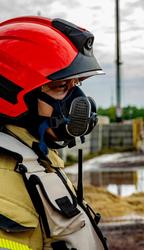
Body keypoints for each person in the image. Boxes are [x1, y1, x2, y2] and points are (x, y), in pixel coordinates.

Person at [0, 16, 108, 249]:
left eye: (75, 85)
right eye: (61, 87)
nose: (79, 101)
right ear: (14, 94)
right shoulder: (4, 186)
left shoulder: (35, 159)